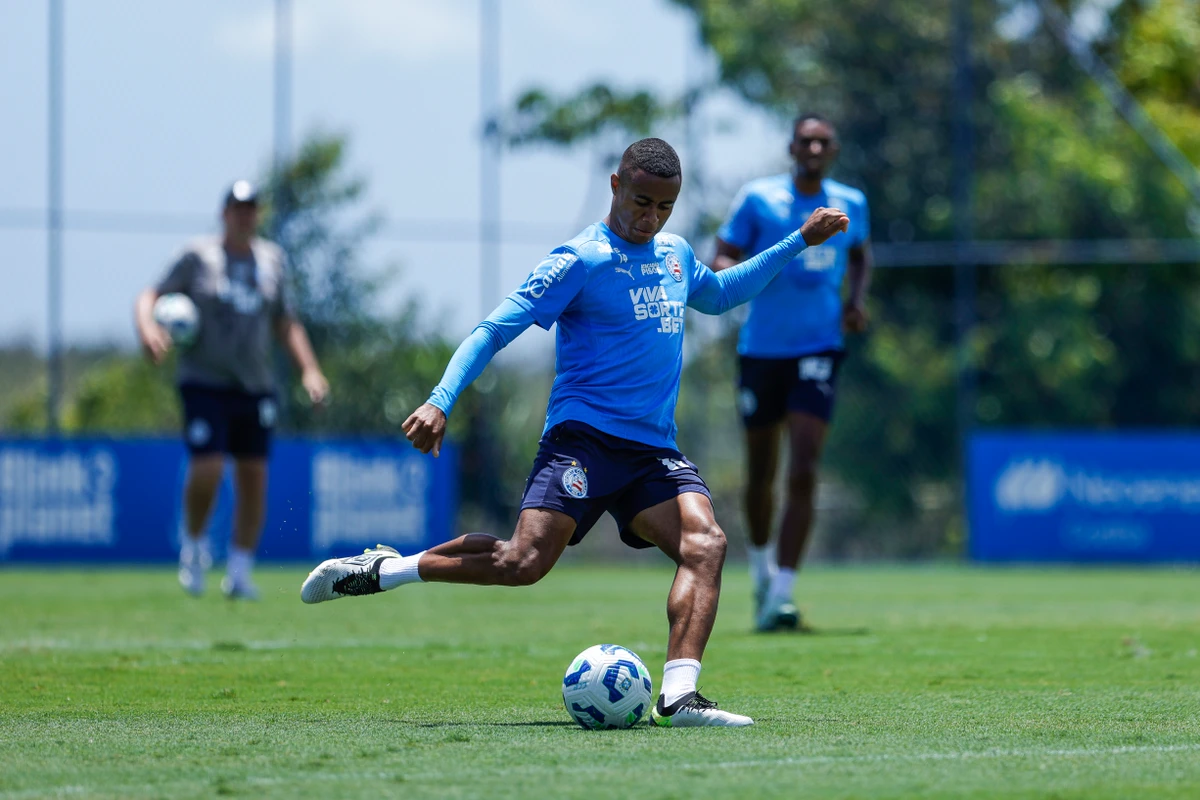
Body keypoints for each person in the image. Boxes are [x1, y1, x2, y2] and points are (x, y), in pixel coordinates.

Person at [300, 139, 847, 727]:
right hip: (582, 440)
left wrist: (797, 242)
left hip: (653, 451)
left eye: (664, 207)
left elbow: (722, 294)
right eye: (641, 202)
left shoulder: (675, 254)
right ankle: (387, 570)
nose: (650, 217)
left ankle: (680, 694)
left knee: (705, 544)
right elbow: (493, 330)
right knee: (523, 562)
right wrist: (440, 398)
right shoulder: (580, 260)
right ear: (615, 187)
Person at [712, 114, 873, 632]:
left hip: (820, 347)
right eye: (806, 139)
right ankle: (759, 573)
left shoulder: (852, 202)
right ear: (791, 147)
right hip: (761, 349)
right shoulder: (758, 199)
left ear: (834, 150)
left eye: (823, 140)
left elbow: (862, 254)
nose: (813, 147)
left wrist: (856, 301)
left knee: (803, 467)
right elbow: (725, 252)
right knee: (762, 473)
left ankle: (783, 593)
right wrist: (722, 278)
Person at [134, 180, 330, 600]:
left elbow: (286, 322)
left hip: (255, 387)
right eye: (238, 207)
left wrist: (310, 370)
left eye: (252, 208)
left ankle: (239, 571)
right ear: (224, 212)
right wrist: (149, 329)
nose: (245, 215)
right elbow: (149, 295)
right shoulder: (196, 256)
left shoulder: (273, 261)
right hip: (204, 381)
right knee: (207, 466)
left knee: (254, 477)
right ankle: (194, 544)